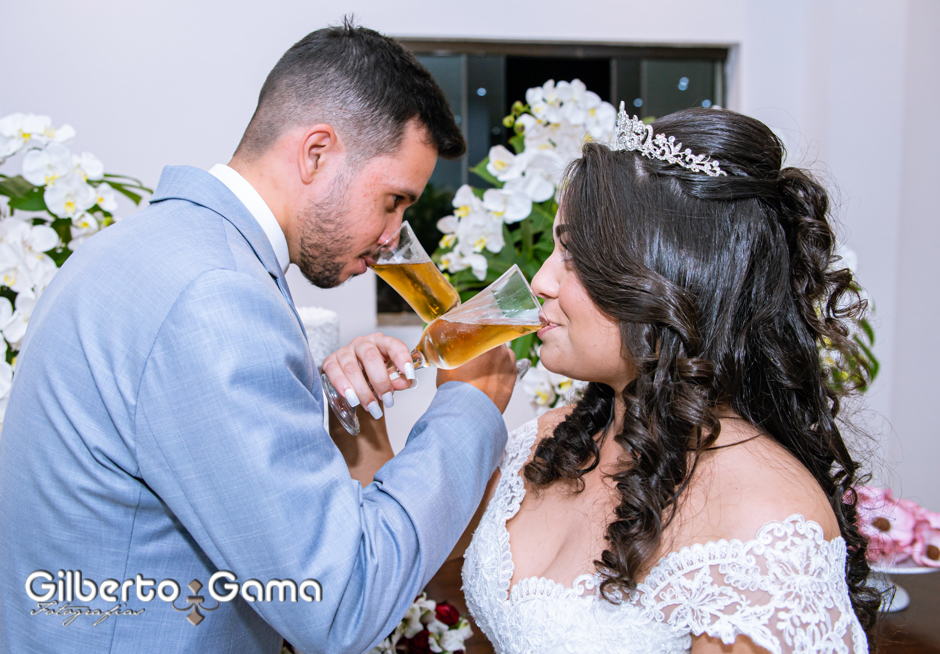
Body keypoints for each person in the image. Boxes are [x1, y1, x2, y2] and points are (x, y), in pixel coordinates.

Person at [0, 20, 517, 654]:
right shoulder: (216, 296)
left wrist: (326, 407)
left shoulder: (136, 248)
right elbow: (338, 602)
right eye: (393, 201)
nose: (393, 237)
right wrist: (469, 405)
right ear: (317, 152)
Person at [333, 107, 880, 653]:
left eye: (573, 256)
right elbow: (396, 556)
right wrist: (361, 412)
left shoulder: (764, 523)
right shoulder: (550, 443)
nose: (541, 281)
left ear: (664, 278)